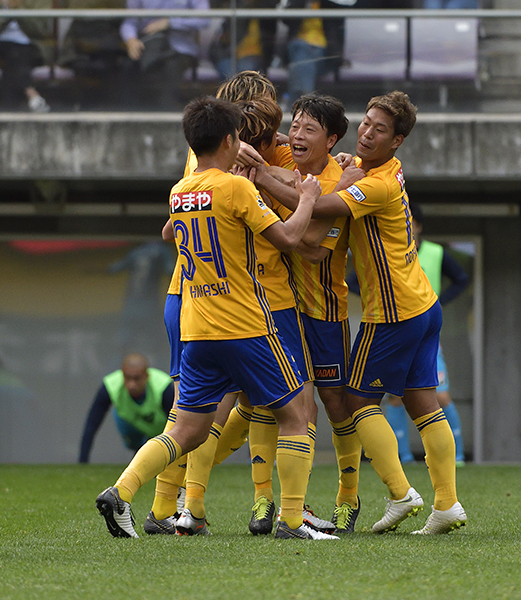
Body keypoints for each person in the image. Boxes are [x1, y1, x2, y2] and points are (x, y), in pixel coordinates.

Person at [95, 96, 338, 541]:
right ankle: (291, 521)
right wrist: (306, 197)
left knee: (186, 429)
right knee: (297, 414)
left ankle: (121, 491)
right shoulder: (236, 188)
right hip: (245, 325)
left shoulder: (180, 190)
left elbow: (171, 232)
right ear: (230, 140)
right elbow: (289, 238)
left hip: (197, 328)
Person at [255, 90, 467, 535]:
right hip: (421, 303)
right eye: (366, 123)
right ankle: (447, 503)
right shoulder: (369, 168)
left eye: (380, 129)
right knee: (423, 404)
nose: (367, 133)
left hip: (393, 310)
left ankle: (399, 493)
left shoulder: (375, 184)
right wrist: (280, 146)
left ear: (397, 141)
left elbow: (318, 207)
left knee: (355, 402)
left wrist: (258, 176)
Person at [252, 93, 363, 534]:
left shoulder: (342, 179)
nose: (296, 135)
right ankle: (269, 503)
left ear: (331, 140)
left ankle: (348, 498)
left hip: (324, 311)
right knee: (280, 404)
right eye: (294, 125)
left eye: (308, 128)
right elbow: (271, 147)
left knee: (335, 405)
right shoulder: (286, 161)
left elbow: (314, 243)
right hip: (278, 308)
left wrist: (265, 182)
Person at [384, 201, 469, 466]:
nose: (405, 226)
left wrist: (439, 302)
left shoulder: (435, 252)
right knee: (395, 397)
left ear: (418, 225)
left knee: (440, 395)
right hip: (396, 333)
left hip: (427, 335)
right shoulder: (388, 251)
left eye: (409, 221)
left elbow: (462, 279)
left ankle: (457, 455)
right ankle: (403, 457)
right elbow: (354, 281)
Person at [79, 353, 173, 463]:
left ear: (147, 376)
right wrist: (83, 461)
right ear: (122, 375)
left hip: (160, 428)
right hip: (129, 422)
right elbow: (92, 423)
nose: (132, 384)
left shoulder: (163, 387)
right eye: (128, 378)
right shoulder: (111, 385)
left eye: (137, 378)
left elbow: (177, 424)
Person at [119, 0, 210, 110]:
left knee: (171, 68)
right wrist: (130, 39)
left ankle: (167, 114)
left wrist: (170, 22)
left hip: (180, 49)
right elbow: (130, 21)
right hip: (148, 49)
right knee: (128, 66)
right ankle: (130, 115)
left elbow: (204, 20)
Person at [282, 0, 347, 104]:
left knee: (300, 63)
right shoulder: (298, 3)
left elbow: (339, 25)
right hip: (297, 50)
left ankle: (296, 101)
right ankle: (308, 100)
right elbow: (285, 19)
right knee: (300, 48)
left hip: (323, 54)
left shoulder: (330, 5)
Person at [0, 0, 52, 112]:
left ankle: (9, 110)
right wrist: (5, 9)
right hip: (3, 44)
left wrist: (18, 9)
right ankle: (33, 96)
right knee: (15, 60)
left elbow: (40, 30)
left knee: (16, 57)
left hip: (28, 45)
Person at [208, 0, 278, 80]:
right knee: (228, 71)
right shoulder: (235, 9)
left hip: (253, 55)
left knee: (245, 71)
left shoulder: (265, 13)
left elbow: (268, 44)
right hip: (229, 54)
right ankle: (233, 87)